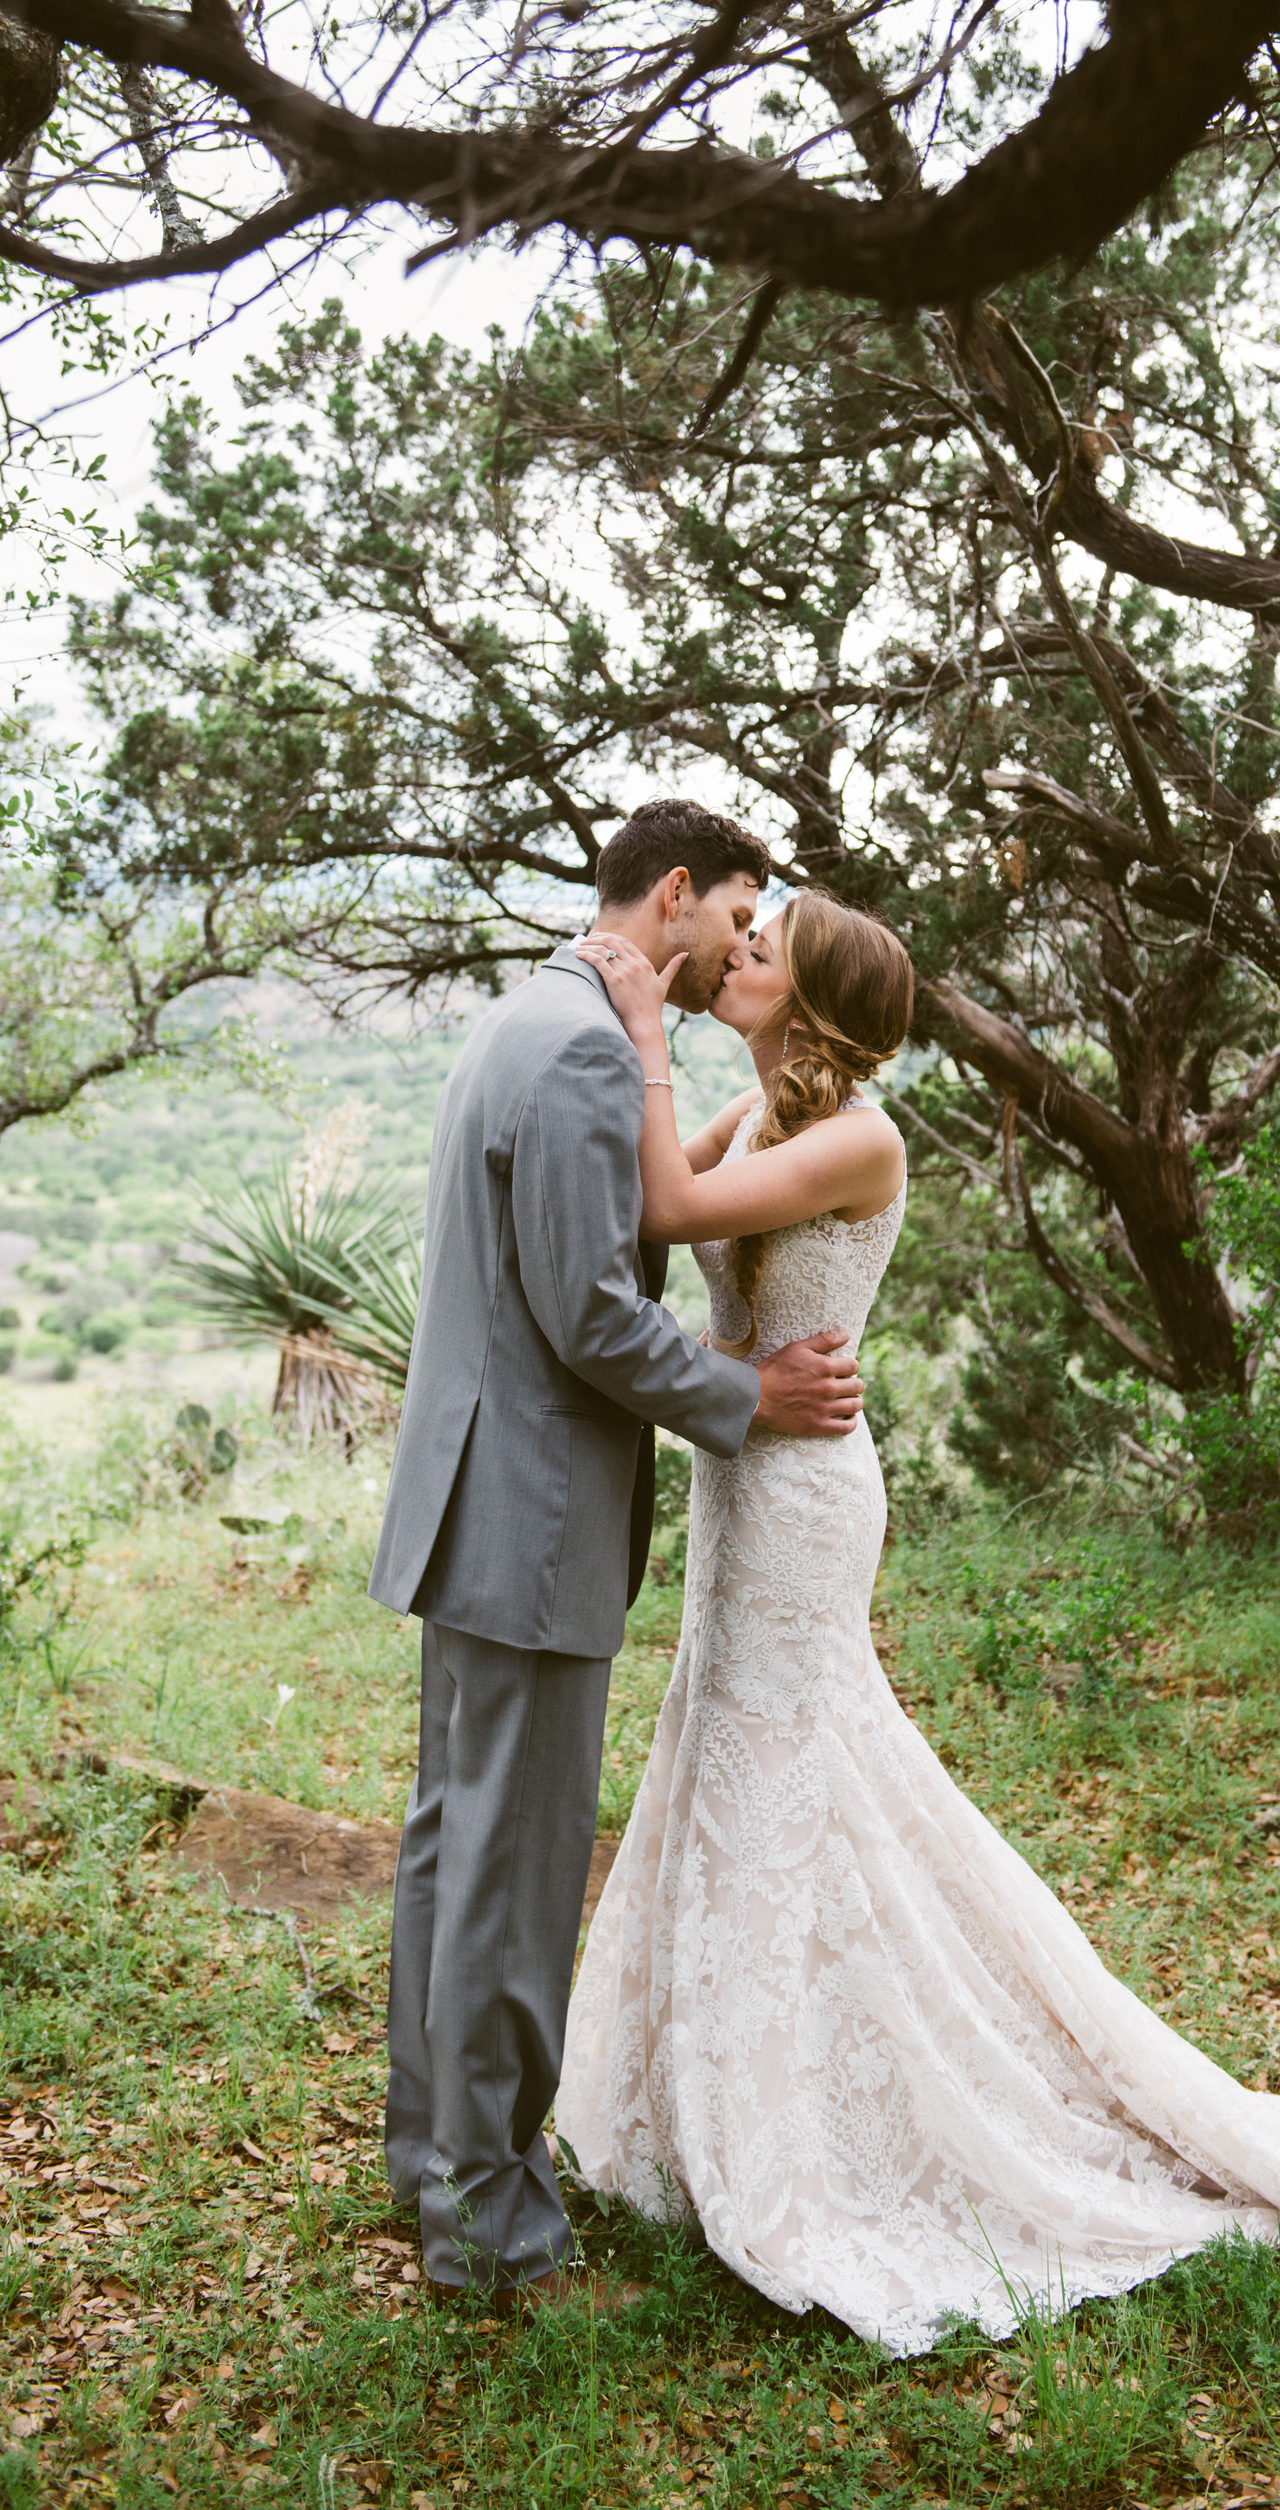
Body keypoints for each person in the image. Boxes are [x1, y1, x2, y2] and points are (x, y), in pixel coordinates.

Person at [558, 890, 1280, 2357]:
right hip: (748, 1479)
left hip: (805, 1504)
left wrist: (641, 1023)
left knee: (790, 1772)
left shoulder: (860, 1138)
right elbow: (693, 1250)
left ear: (822, 996)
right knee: (738, 1765)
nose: (742, 953)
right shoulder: (758, 1114)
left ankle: (823, 2131)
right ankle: (706, 2098)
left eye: (767, 944)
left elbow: (667, 1209)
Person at [370, 800, 867, 2299]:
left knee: (453, 1847)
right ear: (676, 896)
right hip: (530, 1522)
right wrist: (750, 1396)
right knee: (511, 1879)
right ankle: (490, 2227)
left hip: (470, 1503)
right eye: (736, 914)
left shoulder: (534, 1011)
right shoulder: (592, 1045)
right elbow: (591, 1312)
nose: (738, 944)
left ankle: (434, 2166)